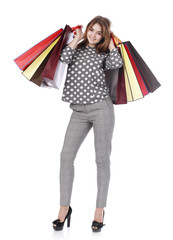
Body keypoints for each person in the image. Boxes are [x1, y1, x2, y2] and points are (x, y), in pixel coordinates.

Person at [52, 16, 123, 232]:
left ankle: (99, 210)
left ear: (104, 36)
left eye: (99, 32)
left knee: (101, 160)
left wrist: (111, 42)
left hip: (101, 108)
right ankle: (64, 208)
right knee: (66, 156)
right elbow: (63, 58)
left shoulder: (104, 53)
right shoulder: (77, 49)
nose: (93, 34)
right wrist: (76, 39)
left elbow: (116, 63)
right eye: (92, 29)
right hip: (78, 111)